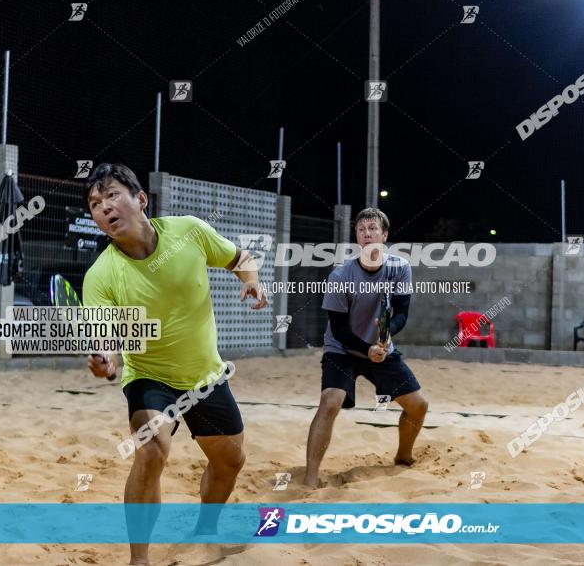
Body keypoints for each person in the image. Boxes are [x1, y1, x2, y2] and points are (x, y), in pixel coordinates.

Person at [81, 163, 267, 566]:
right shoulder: (101, 275)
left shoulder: (188, 231)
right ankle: (139, 559)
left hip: (206, 377)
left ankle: (205, 527)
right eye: (95, 204)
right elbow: (103, 343)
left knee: (231, 461)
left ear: (140, 199)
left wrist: (249, 279)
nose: (104, 208)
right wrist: (103, 361)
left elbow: (240, 257)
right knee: (151, 450)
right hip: (150, 376)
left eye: (112, 195)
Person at [303, 207, 428, 488]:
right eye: (362, 229)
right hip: (342, 349)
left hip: (381, 348)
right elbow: (338, 328)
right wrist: (366, 348)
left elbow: (402, 314)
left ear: (384, 235)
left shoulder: (399, 267)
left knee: (418, 406)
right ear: (357, 237)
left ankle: (403, 455)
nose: (367, 233)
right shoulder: (340, 275)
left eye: (373, 229)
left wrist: (385, 337)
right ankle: (311, 476)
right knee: (330, 402)